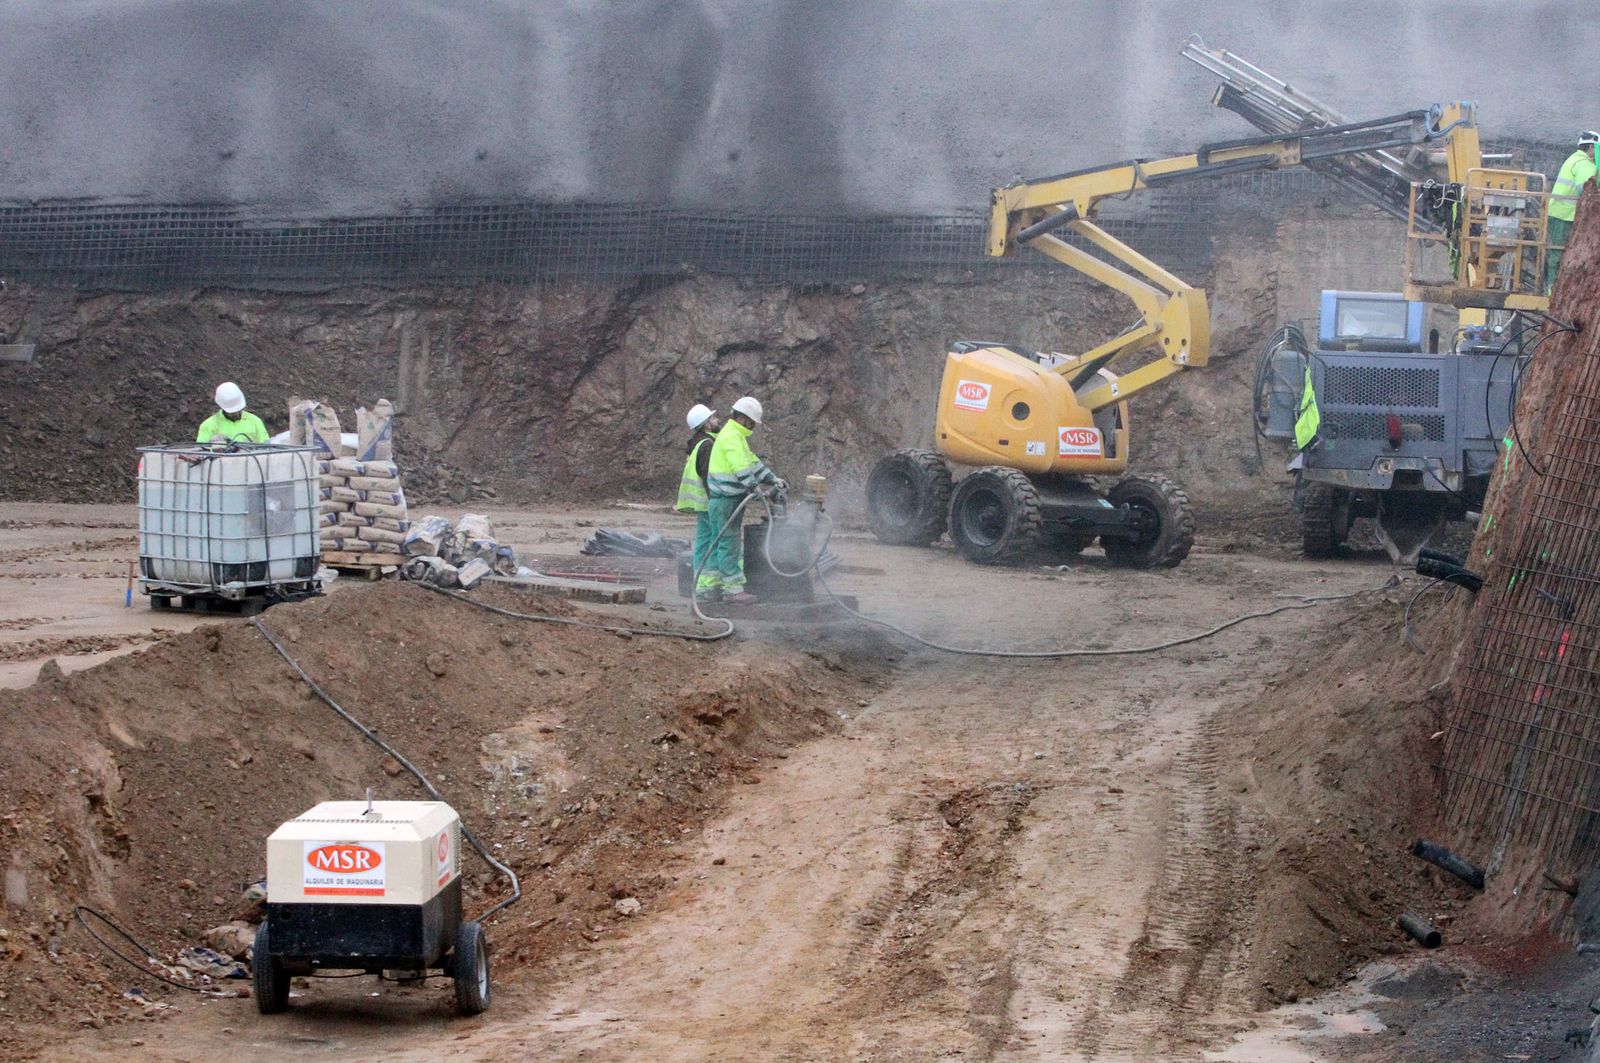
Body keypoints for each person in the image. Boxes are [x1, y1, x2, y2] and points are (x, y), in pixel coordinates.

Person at [705, 395, 784, 603]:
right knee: (729, 543)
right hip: (725, 499)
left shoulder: (735, 436)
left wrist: (771, 478)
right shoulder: (731, 436)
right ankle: (732, 591)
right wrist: (754, 487)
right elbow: (740, 466)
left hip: (724, 499)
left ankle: (711, 588)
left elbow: (752, 463)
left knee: (719, 542)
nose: (753, 427)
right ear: (743, 419)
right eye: (751, 423)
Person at [676, 403, 722, 601]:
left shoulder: (697, 444)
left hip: (700, 503)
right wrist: (717, 498)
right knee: (714, 541)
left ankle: (699, 581)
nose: (717, 420)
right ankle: (709, 584)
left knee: (703, 541)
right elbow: (707, 475)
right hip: (708, 501)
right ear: (706, 424)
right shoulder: (707, 445)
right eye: (713, 418)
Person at [1547, 131, 1598, 293]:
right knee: (1559, 252)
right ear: (1591, 147)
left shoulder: (1574, 159)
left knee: (1558, 252)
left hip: (1560, 212)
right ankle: (1554, 291)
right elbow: (1587, 186)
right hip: (1565, 215)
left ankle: (1554, 289)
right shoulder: (1584, 164)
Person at [197, 382, 270, 444]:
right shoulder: (208, 425)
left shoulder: (255, 421)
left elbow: (266, 447)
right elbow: (202, 452)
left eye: (238, 409)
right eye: (232, 411)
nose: (235, 413)